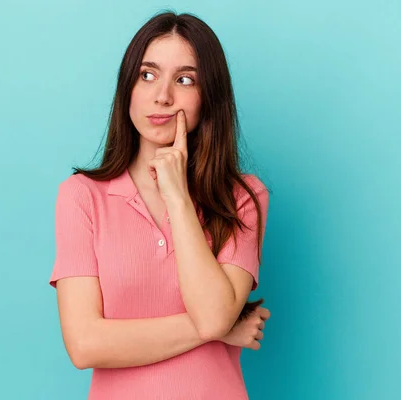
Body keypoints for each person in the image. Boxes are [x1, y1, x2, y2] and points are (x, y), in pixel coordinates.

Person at [49, 11, 271, 400]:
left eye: (185, 80)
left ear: (209, 98)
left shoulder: (244, 197)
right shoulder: (81, 196)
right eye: (147, 75)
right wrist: (218, 329)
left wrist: (178, 197)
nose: (162, 95)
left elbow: (215, 314)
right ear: (128, 88)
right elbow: (84, 344)